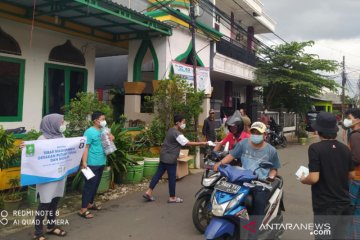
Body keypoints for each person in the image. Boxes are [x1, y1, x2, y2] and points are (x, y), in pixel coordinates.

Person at [300, 112, 355, 240]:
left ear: (318, 130)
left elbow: (314, 178)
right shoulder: (345, 149)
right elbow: (351, 175)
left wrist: (303, 179)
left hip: (325, 206)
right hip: (344, 203)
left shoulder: (315, 148)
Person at [214, 121, 281, 216]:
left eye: (258, 133)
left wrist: (271, 176)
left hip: (260, 183)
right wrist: (219, 164)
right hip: (241, 179)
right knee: (227, 196)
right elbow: (231, 156)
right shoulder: (243, 144)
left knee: (258, 202)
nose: (255, 135)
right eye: (253, 132)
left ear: (265, 135)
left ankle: (255, 227)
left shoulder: (271, 150)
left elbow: (274, 168)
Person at [143, 115, 209, 203]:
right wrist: (203, 143)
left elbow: (172, 144)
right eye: (183, 122)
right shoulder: (177, 133)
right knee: (172, 178)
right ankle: (172, 197)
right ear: (178, 122)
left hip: (163, 156)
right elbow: (187, 143)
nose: (184, 124)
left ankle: (149, 192)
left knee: (158, 174)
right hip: (170, 159)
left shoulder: (171, 130)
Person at [33, 114, 68, 240]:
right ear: (52, 124)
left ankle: (51, 226)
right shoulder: (41, 139)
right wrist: (25, 149)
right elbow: (32, 156)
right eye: (61, 122)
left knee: (54, 203)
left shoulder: (62, 136)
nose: (63, 124)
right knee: (44, 204)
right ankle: (37, 233)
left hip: (59, 176)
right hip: (47, 179)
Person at [79, 111, 114, 219]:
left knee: (96, 185)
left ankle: (90, 203)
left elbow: (112, 138)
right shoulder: (89, 132)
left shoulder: (104, 129)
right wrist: (84, 162)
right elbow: (86, 147)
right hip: (91, 163)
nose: (104, 121)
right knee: (89, 185)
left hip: (101, 161)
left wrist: (110, 135)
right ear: (95, 120)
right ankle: (83, 209)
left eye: (104, 119)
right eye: (102, 119)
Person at [344, 108, 360, 238]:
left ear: (358, 119)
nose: (347, 120)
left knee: (351, 210)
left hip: (356, 178)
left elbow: (356, 158)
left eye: (349, 118)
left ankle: (352, 235)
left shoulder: (355, 135)